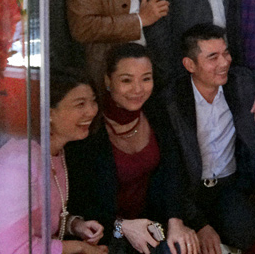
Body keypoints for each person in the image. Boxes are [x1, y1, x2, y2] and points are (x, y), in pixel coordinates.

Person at [67, 44, 201, 254]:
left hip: (151, 223)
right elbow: (80, 205)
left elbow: (172, 170)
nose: (138, 89)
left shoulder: (155, 110)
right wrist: (122, 227)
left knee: (183, 247)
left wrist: (176, 221)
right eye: (126, 80)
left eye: (146, 79)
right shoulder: (89, 128)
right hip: (107, 231)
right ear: (108, 81)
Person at [163, 24, 255, 252]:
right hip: (189, 189)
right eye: (213, 57)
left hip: (229, 185)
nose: (224, 62)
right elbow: (170, 169)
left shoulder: (241, 82)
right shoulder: (171, 101)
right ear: (190, 65)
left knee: (246, 230)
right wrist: (200, 224)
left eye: (226, 53)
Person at [0, 69, 105, 254]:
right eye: (80, 104)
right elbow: (17, 249)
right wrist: (79, 247)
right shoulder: (19, 165)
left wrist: (75, 225)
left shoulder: (55, 152)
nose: (92, 111)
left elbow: (42, 216)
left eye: (93, 101)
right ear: (49, 112)